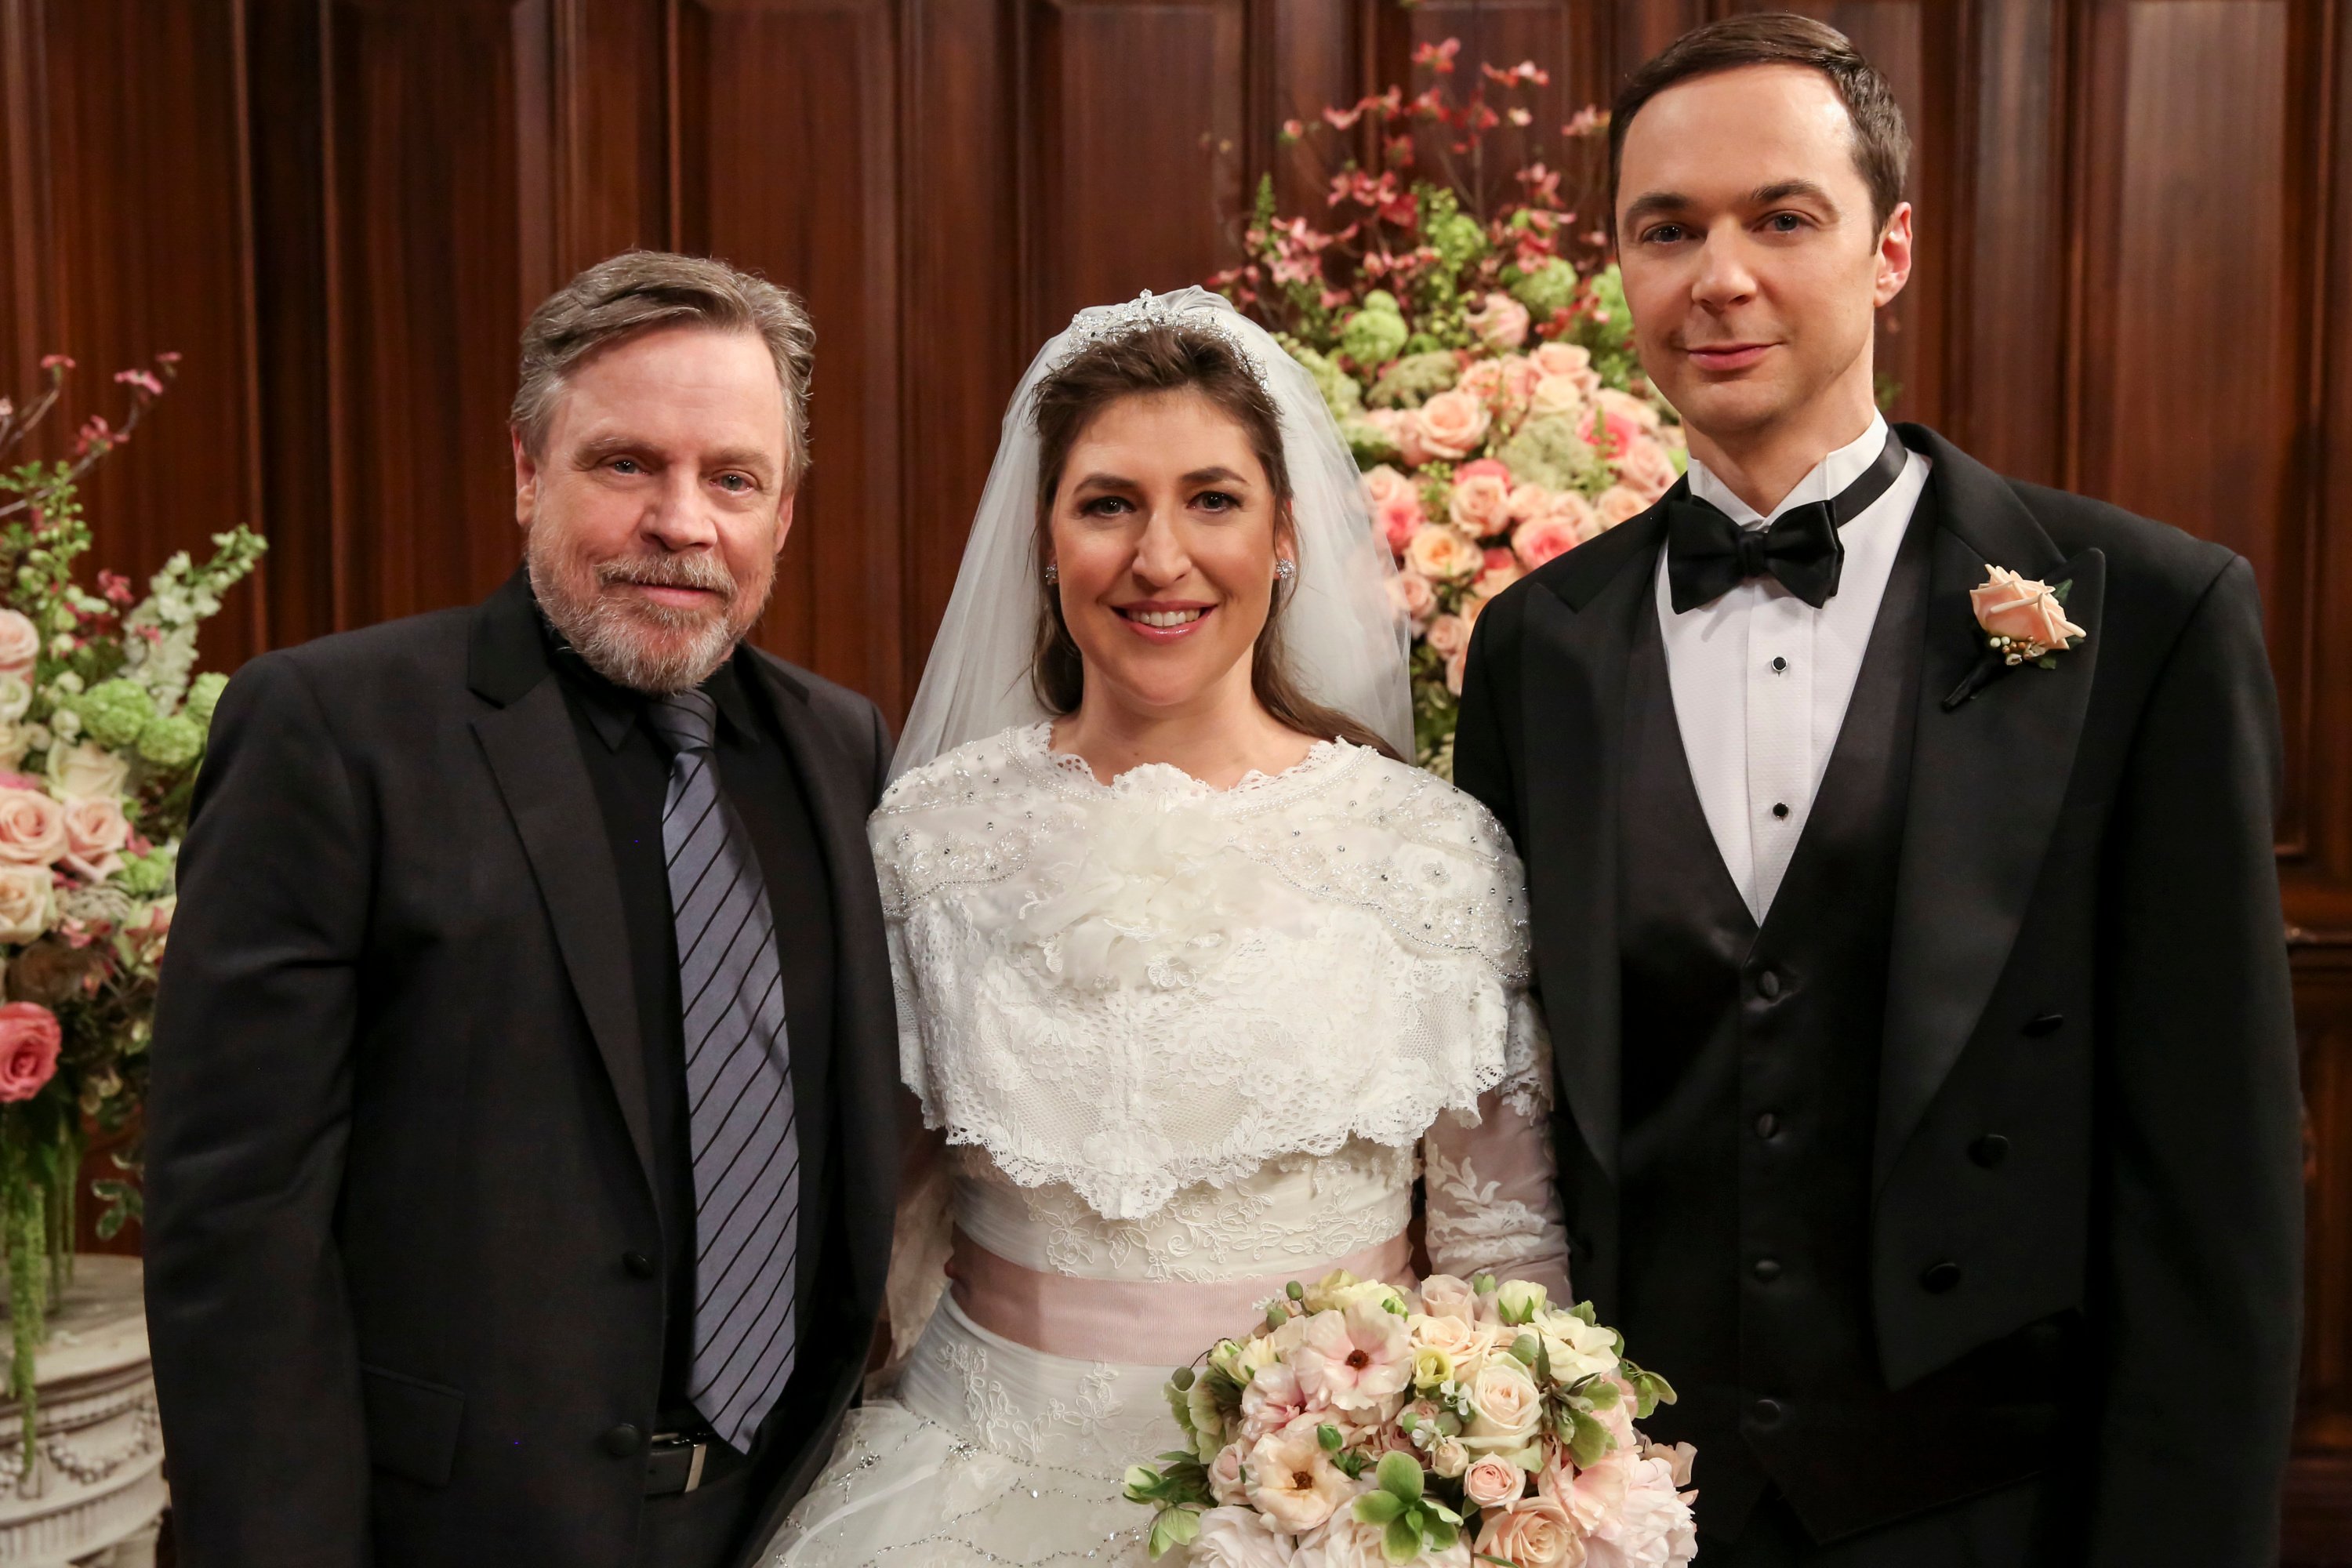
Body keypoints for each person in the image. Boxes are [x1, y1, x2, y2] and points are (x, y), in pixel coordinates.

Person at [1454, 15, 2304, 1566]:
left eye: (1782, 217)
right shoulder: (1534, 651)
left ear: (1889, 247)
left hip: (1990, 1515)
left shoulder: (2150, 618)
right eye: (1668, 229)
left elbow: (2215, 1198)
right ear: (1620, 269)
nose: (1721, 275)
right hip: (1628, 1512)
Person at [760, 288, 1570, 1564]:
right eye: (1107, 504)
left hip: (1339, 1525)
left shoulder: (1428, 851)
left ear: (1285, 531)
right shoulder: (927, 844)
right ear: (1045, 538)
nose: (1159, 558)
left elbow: (1503, 1247)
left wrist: (1513, 1482)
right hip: (967, 1497)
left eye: (1212, 499)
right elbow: (868, 1223)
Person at [144, 252, 900, 1567]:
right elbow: (236, 1224)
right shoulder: (333, 729)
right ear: (524, 471)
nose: (683, 521)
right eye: (626, 465)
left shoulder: (841, 752)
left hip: (786, 1517)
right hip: (453, 1529)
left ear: (783, 512)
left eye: (733, 478)